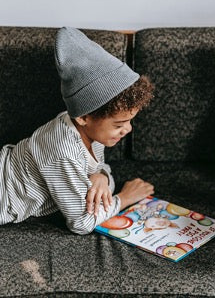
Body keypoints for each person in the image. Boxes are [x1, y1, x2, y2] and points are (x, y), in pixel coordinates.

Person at [0, 27, 155, 235]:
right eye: (119, 124)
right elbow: (81, 223)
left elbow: (100, 170)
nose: (128, 129)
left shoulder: (89, 130)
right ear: (84, 117)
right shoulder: (63, 151)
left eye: (129, 122)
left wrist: (101, 176)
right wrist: (125, 198)